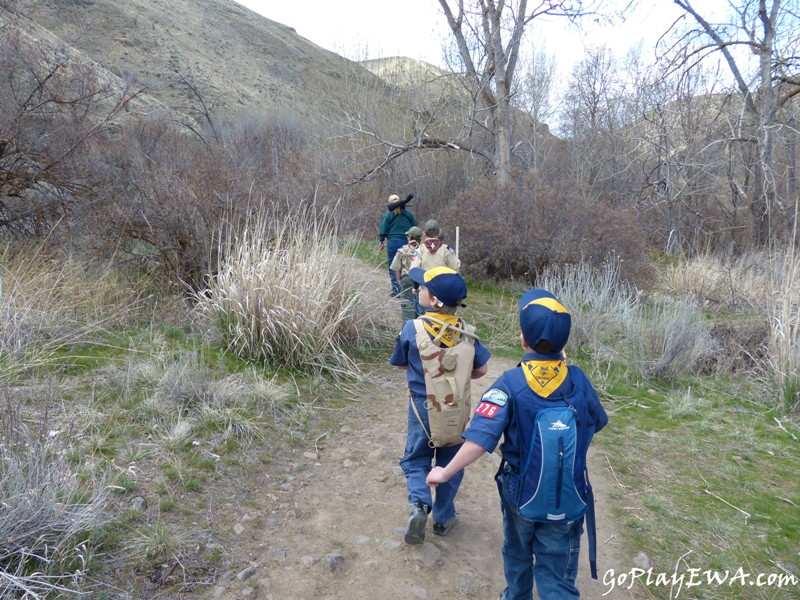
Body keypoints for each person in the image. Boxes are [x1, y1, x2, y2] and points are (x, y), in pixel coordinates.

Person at [426, 289, 608, 600]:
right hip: (568, 494)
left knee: (518, 550)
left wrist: (444, 472)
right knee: (556, 574)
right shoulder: (579, 380)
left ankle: (517, 595)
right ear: (565, 344)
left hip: (519, 490)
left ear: (523, 339)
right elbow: (597, 422)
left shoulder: (511, 383)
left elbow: (481, 439)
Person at [390, 266, 491, 545]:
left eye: (421, 288)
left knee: (416, 458)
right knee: (451, 463)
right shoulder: (468, 333)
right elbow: (481, 370)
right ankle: (444, 517)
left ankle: (420, 507)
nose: (416, 289)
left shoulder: (412, 327)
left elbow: (400, 361)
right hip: (455, 410)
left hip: (423, 408)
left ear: (433, 300)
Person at [378, 194, 416, 296]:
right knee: (407, 265)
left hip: (393, 242)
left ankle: (396, 290)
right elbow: (415, 226)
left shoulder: (389, 214)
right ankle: (409, 289)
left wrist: (381, 240)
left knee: (394, 266)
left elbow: (383, 229)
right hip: (406, 242)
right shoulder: (408, 213)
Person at [389, 226, 423, 321]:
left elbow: (395, 267)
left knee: (407, 304)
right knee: (420, 303)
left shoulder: (403, 250)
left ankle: (407, 328)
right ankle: (419, 326)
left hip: (407, 278)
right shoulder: (423, 250)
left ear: (409, 237)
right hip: (420, 280)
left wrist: (399, 279)